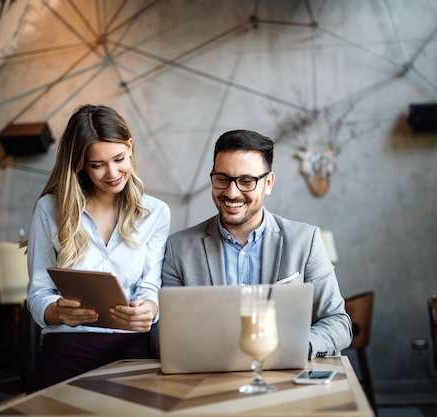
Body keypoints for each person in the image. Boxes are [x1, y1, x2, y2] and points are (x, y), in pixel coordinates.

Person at [161, 129, 351, 358]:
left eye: (246, 181)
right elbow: (161, 332)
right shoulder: (178, 248)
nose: (232, 192)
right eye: (222, 179)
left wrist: (299, 347)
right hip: (209, 379)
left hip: (285, 379)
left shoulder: (305, 241)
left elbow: (338, 323)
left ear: (268, 183)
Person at [25, 104, 170, 392]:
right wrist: (56, 311)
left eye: (119, 159)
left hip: (132, 350)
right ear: (79, 164)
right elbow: (38, 294)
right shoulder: (49, 210)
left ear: (130, 147)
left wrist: (150, 309)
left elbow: (150, 287)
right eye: (97, 165)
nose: (112, 173)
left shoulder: (155, 213)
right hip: (66, 347)